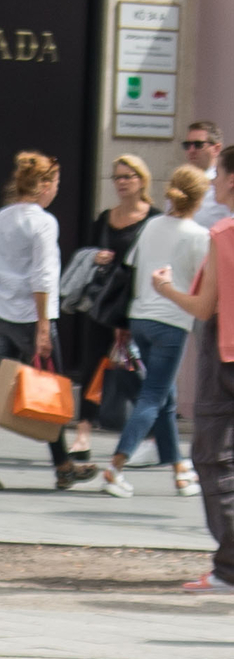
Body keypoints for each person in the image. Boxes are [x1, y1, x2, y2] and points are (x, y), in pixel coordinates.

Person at [0, 152, 74, 490]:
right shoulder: (43, 222)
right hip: (31, 317)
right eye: (54, 184)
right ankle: (63, 466)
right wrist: (42, 326)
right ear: (43, 185)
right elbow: (44, 277)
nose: (55, 190)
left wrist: (1, 279)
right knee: (52, 389)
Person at [95, 163, 207, 497]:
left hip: (140, 319)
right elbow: (203, 284)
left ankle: (180, 471)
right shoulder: (198, 236)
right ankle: (115, 468)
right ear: (199, 199)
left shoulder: (152, 225)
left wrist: (124, 324)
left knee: (165, 400)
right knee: (153, 398)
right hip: (171, 323)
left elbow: (131, 270)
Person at [142, 200, 234, 590]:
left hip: (227, 356)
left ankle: (229, 570)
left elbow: (203, 306)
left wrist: (165, 288)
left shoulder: (225, 234)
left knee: (213, 458)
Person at [58, 156, 155, 474]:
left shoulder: (152, 220)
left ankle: (147, 438)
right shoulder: (104, 218)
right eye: (117, 177)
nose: (122, 182)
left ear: (142, 180)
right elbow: (83, 253)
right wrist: (93, 256)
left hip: (133, 308)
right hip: (101, 307)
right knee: (92, 369)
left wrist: (127, 322)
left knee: (136, 375)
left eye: (128, 176)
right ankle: (83, 433)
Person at [186, 122, 226, 229]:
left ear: (216, 149)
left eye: (198, 145)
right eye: (187, 145)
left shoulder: (224, 184)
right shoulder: (180, 183)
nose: (191, 150)